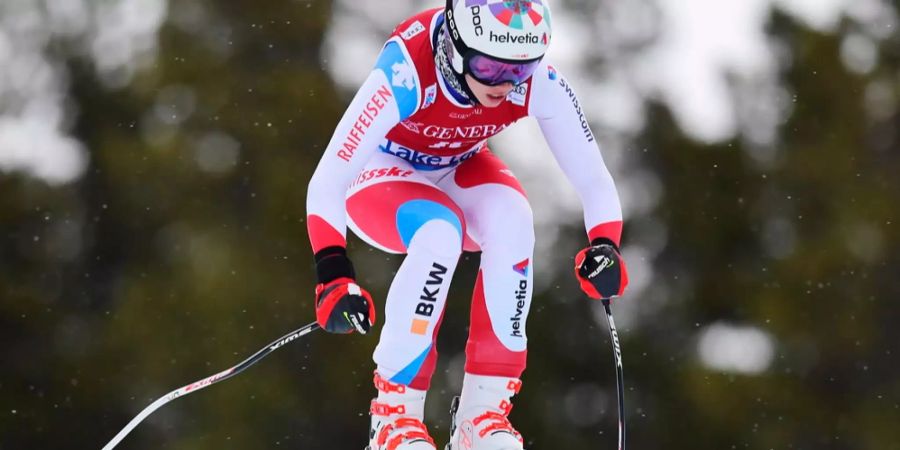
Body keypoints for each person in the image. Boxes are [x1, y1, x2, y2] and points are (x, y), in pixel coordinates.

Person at [306, 1, 628, 449]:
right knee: (440, 232)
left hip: (454, 167)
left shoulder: (533, 82)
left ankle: (483, 416)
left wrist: (605, 246)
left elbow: (594, 181)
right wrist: (333, 273)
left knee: (513, 217)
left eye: (519, 70)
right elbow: (328, 180)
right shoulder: (408, 69)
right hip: (378, 177)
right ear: (454, 49)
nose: (505, 84)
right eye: (489, 68)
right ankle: (394, 417)